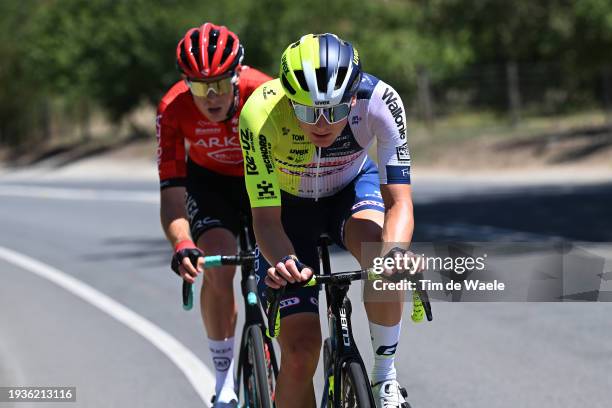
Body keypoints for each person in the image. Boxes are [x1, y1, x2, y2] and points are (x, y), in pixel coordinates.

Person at [239, 33, 414, 408]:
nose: (321, 123)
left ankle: (385, 377)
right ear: (289, 99)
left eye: (334, 111)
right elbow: (266, 221)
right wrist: (285, 263)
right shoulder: (259, 115)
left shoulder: (381, 102)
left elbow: (399, 202)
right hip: (287, 211)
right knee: (301, 353)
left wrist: (395, 252)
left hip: (349, 191)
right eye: (306, 111)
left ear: (352, 98)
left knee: (379, 256)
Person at [157, 22, 271, 407]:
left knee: (284, 265)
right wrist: (182, 242)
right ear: (185, 83)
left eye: (220, 85)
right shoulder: (173, 109)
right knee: (218, 268)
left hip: (264, 179)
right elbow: (172, 192)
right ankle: (223, 380)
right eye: (199, 86)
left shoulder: (265, 93)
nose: (210, 97)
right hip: (209, 186)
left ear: (238, 75)